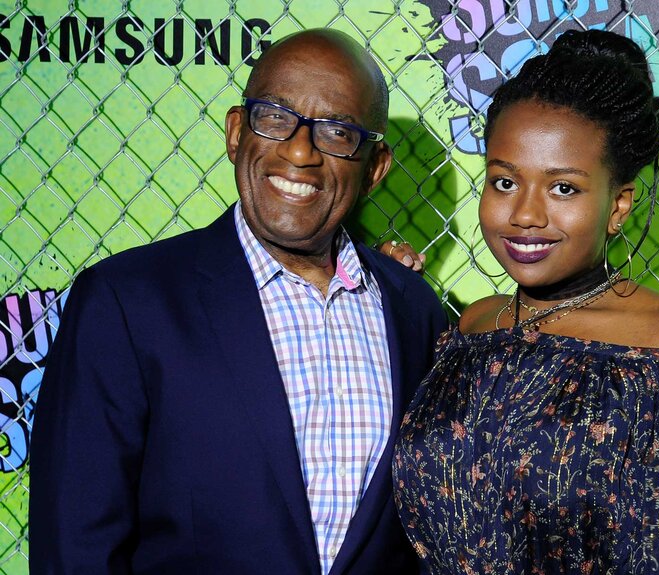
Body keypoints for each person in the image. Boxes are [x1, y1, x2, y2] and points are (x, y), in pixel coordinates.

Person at [29, 29, 447, 575]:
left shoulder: (413, 310)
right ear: (235, 133)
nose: (301, 151)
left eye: (337, 132)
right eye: (274, 116)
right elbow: (76, 545)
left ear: (374, 167)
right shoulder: (125, 303)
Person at [390, 29, 659, 574]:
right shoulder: (473, 327)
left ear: (618, 205)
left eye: (564, 188)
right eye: (504, 181)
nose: (525, 214)